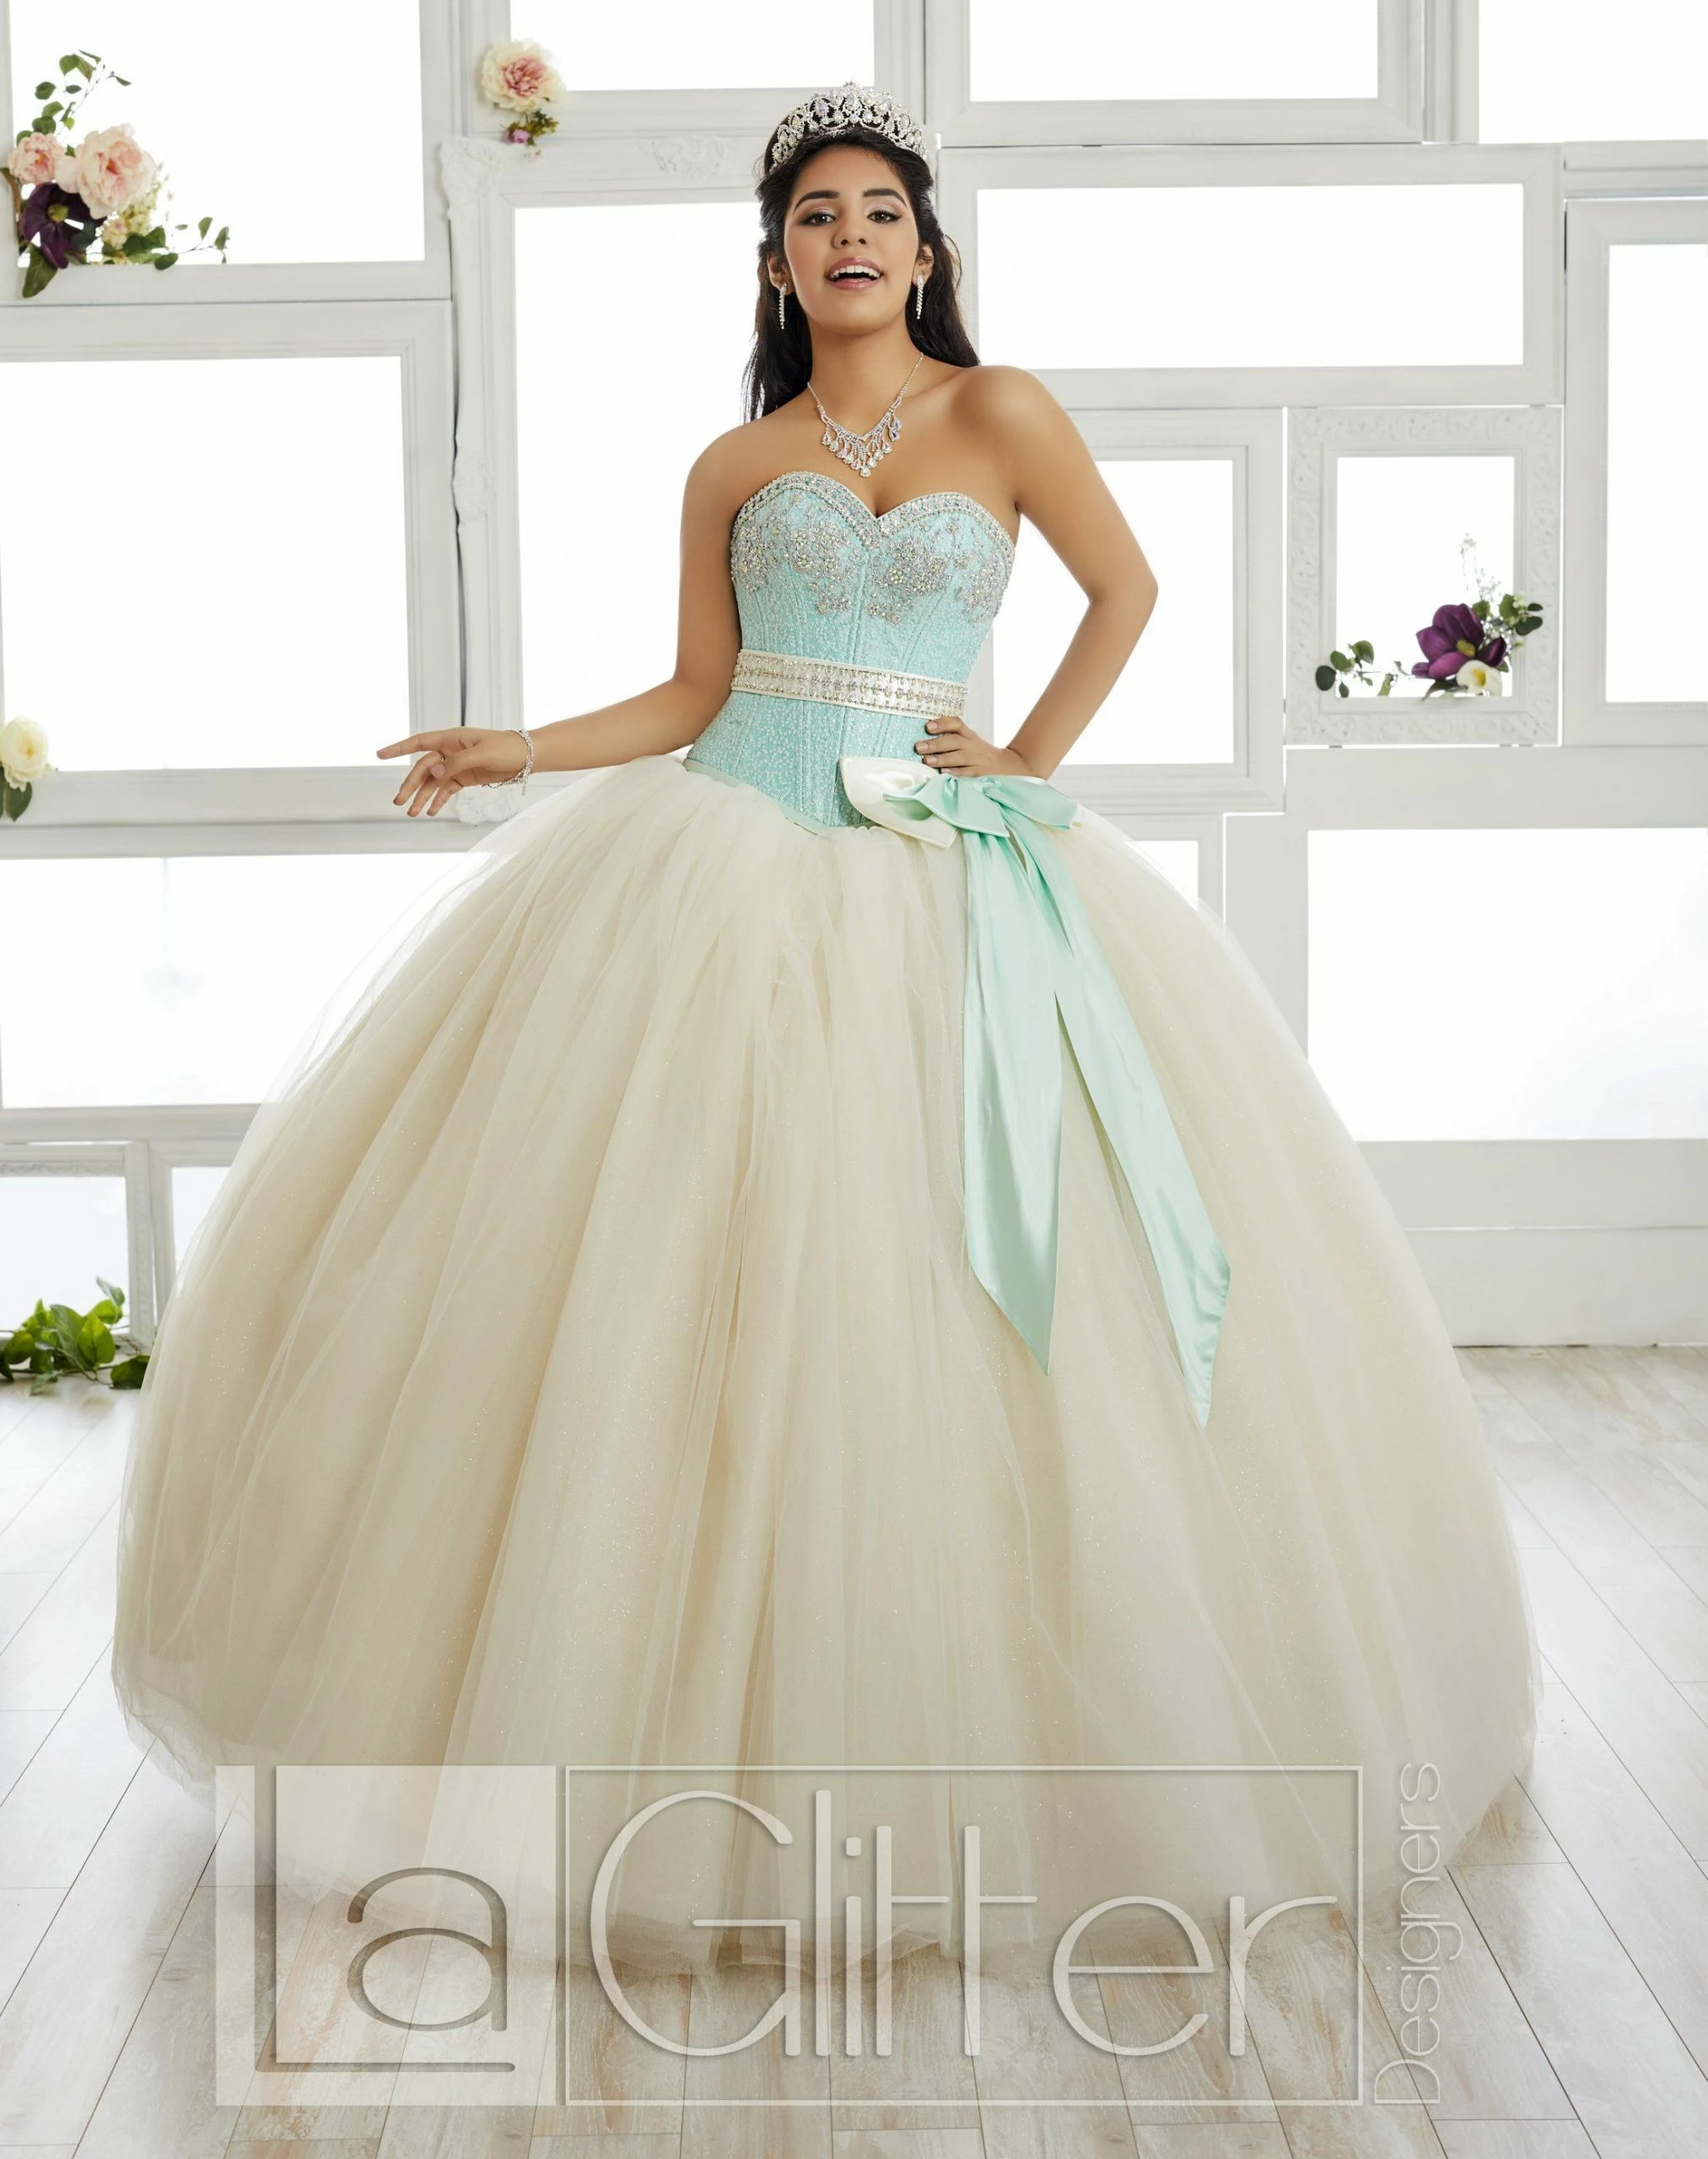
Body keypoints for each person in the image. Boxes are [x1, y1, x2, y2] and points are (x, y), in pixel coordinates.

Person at [112, 83, 1537, 1978]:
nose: (849, 235)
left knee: (965, 1286)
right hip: (725, 855)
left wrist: (1024, 760)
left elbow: (1126, 589)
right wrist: (515, 745)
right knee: (666, 1279)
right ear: (777, 262)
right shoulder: (734, 459)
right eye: (814, 216)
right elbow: (698, 691)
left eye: (878, 210)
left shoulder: (1002, 411)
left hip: (937, 868)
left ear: (924, 249)